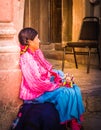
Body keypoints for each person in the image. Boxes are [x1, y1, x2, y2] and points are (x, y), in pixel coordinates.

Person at [18, 27, 85, 130]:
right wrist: (58, 84)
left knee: (75, 88)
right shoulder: (26, 59)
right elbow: (36, 84)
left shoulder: (37, 52)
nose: (39, 41)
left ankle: (75, 121)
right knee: (66, 92)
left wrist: (60, 77)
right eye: (37, 38)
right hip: (35, 93)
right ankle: (65, 122)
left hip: (45, 84)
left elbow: (47, 68)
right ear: (30, 41)